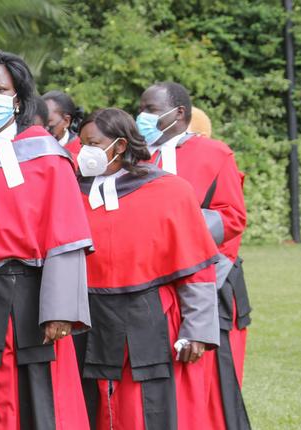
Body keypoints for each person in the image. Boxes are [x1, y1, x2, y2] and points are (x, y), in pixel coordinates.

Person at [0, 48, 93, 429]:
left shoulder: (48, 158)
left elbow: (66, 237)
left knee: (36, 402)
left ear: (17, 98)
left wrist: (61, 309)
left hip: (30, 301)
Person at [75, 107, 220, 429]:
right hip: (86, 318)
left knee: (144, 410)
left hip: (149, 318)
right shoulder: (71, 192)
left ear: (121, 145)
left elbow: (196, 268)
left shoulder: (171, 191)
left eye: (94, 143)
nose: (85, 152)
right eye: (82, 143)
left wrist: (197, 330)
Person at [138, 82, 251, 430]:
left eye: (152, 110)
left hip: (207, 281)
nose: (142, 116)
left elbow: (232, 217)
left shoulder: (215, 154)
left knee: (207, 383)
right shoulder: (136, 157)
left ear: (180, 114)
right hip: (147, 285)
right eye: (140, 109)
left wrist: (179, 227)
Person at [43, 90, 84, 158]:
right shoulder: (33, 145)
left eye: (47, 121)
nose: (41, 127)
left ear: (66, 121)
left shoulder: (81, 151)